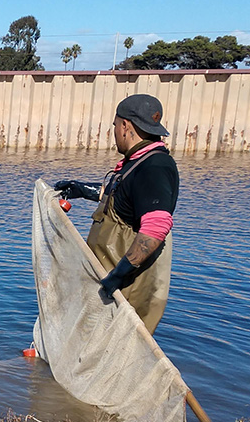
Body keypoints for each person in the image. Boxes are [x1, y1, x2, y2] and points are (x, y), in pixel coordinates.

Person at [53, 93, 179, 333]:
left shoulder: (155, 167)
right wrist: (84, 190)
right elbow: (124, 199)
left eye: (114, 125)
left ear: (125, 126)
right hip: (111, 279)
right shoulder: (137, 162)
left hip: (127, 288)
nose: (114, 132)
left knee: (114, 349)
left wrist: (119, 275)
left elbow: (156, 227)